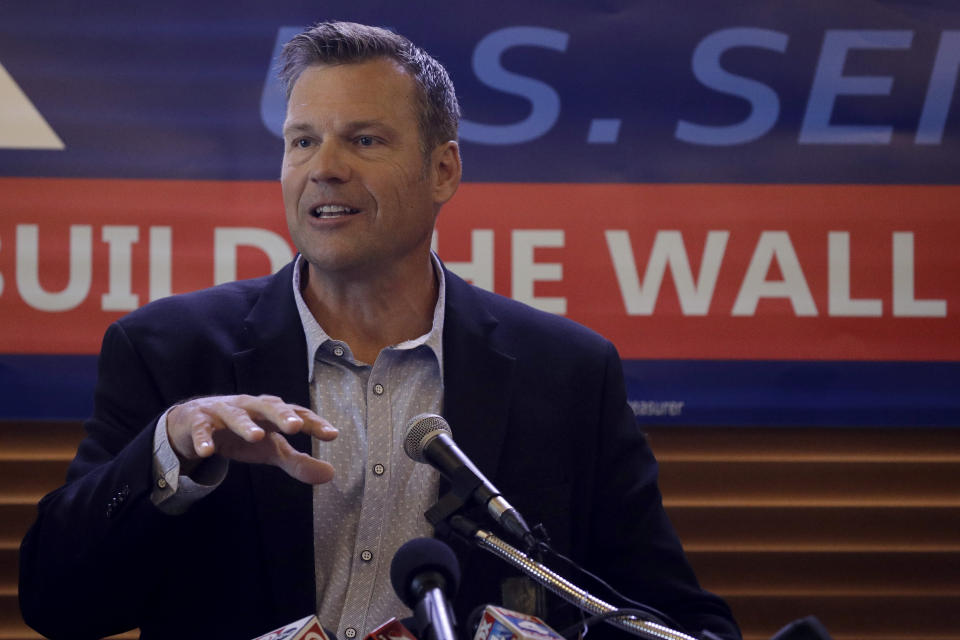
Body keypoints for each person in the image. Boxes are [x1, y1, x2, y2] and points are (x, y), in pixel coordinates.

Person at [19, 21, 741, 640]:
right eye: (302, 142)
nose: (322, 169)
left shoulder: (567, 373)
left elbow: (668, 615)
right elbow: (58, 604)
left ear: (443, 169)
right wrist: (171, 453)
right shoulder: (171, 354)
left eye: (363, 140)